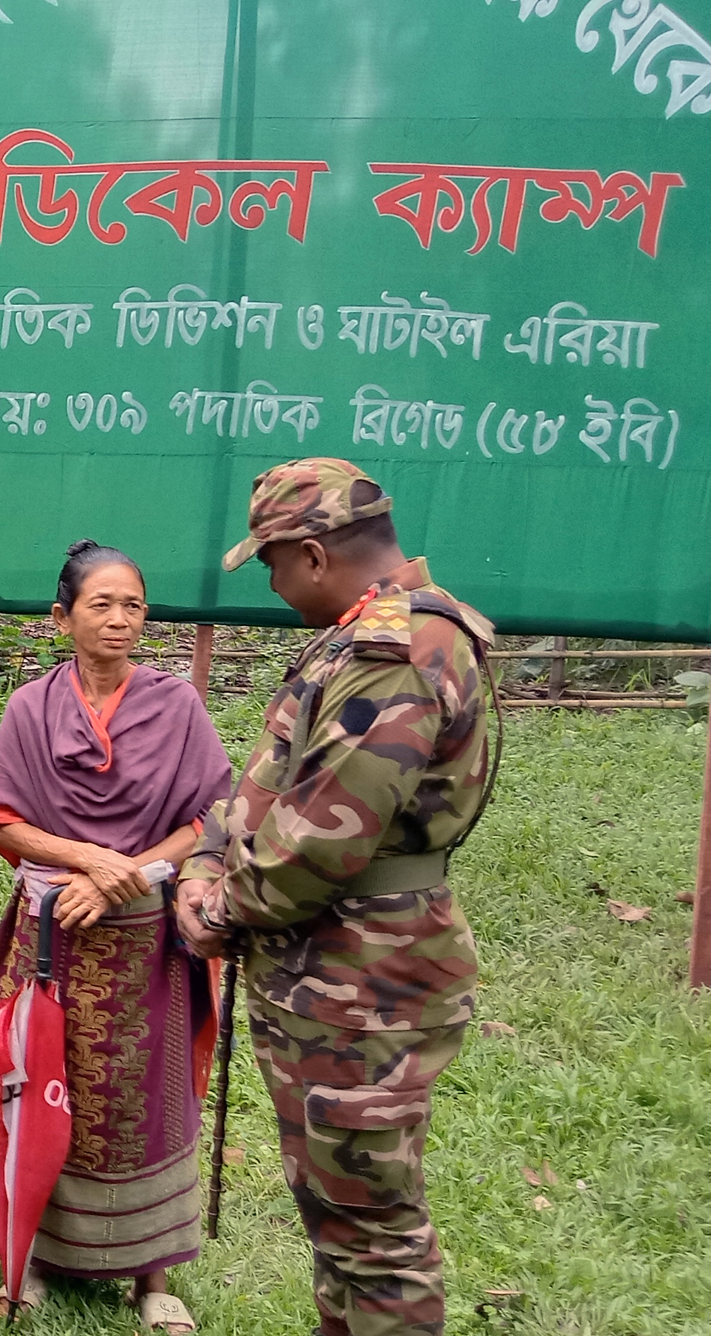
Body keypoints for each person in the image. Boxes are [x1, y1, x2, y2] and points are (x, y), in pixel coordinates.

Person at [176, 459, 495, 1336]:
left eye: (273, 564)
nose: (274, 586)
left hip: (362, 983)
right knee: (339, 1217)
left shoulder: (395, 653)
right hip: (334, 976)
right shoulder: (359, 637)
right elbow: (269, 785)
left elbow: (318, 841)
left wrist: (217, 907)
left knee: (372, 1235)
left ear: (312, 554)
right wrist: (209, 860)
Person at [0, 540, 234, 1332]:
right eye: (102, 605)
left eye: (134, 607)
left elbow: (212, 817)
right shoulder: (31, 708)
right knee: (44, 1082)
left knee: (147, 1100)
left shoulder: (176, 706)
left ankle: (152, 1277)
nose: (121, 621)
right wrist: (85, 858)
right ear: (62, 618)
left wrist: (134, 872)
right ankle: (37, 1258)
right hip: (51, 934)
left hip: (145, 942)